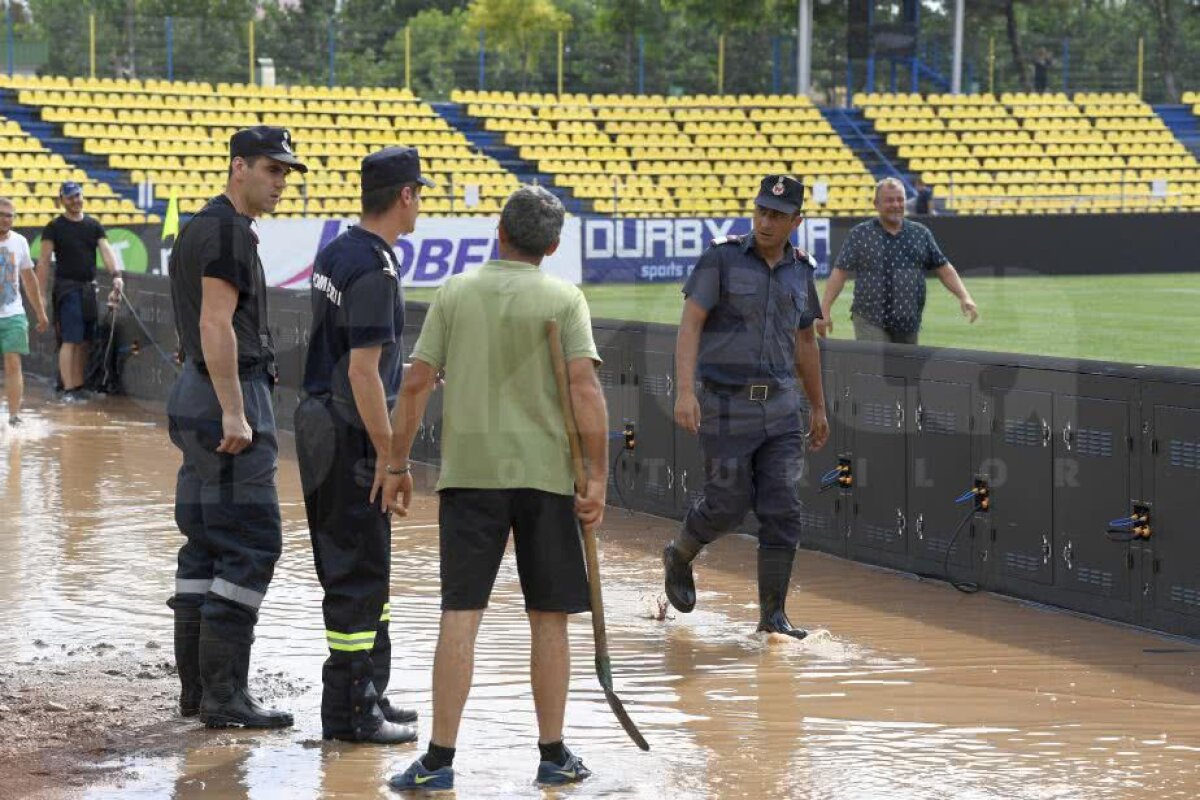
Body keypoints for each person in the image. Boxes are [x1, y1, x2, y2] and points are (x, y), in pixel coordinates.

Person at [384, 185, 607, 791]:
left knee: (460, 615)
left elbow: (414, 386)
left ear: (498, 232)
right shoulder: (565, 298)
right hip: (549, 479)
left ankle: (438, 760)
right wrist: (598, 478)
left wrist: (396, 464)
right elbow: (586, 391)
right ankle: (553, 754)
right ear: (554, 245)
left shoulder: (455, 292)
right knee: (550, 618)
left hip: (471, 478)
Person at [165, 126, 306, 729]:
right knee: (251, 544)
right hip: (228, 391)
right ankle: (224, 698)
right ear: (239, 166)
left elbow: (198, 323)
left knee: (205, 542)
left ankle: (198, 695)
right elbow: (217, 323)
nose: (280, 183)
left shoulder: (201, 225)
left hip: (195, 389)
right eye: (272, 170)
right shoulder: (226, 229)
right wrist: (233, 409)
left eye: (285, 173)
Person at [294, 146, 434, 745]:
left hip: (322, 422)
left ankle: (368, 692)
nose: (421, 203)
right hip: (349, 433)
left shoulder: (339, 249)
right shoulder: (376, 269)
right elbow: (361, 372)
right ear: (404, 196)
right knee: (358, 569)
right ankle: (350, 712)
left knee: (364, 565)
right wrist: (389, 455)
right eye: (419, 193)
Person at [662, 174, 830, 641]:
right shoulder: (721, 258)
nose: (765, 221)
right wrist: (684, 391)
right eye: (761, 211)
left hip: (780, 408)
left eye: (777, 215)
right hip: (725, 404)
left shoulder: (801, 269)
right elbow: (691, 324)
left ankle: (772, 616)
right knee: (728, 504)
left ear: (797, 220)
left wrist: (818, 407)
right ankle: (679, 553)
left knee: (783, 509)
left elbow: (805, 341)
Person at [817, 177, 978, 345]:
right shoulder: (860, 234)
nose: (896, 204)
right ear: (876, 204)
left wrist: (964, 296)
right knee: (875, 369)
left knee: (904, 371)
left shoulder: (920, 233)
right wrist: (825, 310)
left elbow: (944, 269)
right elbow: (840, 273)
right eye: (889, 200)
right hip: (870, 320)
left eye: (900, 199)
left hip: (909, 322)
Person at [35, 181, 122, 402]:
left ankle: (79, 384)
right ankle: (69, 388)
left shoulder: (93, 225)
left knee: (85, 340)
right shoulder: (54, 227)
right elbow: (44, 262)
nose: (76, 200)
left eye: (78, 196)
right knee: (70, 339)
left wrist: (116, 276)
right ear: (62, 200)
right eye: (71, 197)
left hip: (88, 289)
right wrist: (40, 295)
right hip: (67, 288)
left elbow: (106, 250)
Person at [0, 197, 48, 426]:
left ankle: (14, 416)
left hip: (13, 313)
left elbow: (29, 280)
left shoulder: (20, 242)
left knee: (13, 362)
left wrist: (40, 311)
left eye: (9, 215)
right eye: (1, 214)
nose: (5, 219)